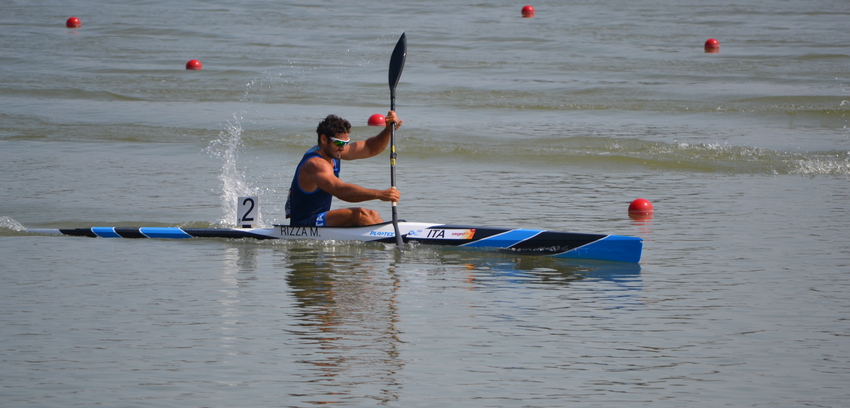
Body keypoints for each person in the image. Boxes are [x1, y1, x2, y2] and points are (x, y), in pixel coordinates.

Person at [285, 112, 402, 227]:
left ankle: (389, 238)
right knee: (360, 215)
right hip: (303, 224)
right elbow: (341, 191)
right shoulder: (315, 165)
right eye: (339, 142)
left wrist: (388, 130)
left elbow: (370, 148)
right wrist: (380, 194)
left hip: (320, 218)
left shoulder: (333, 151)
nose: (343, 148)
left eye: (346, 143)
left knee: (373, 214)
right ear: (324, 139)